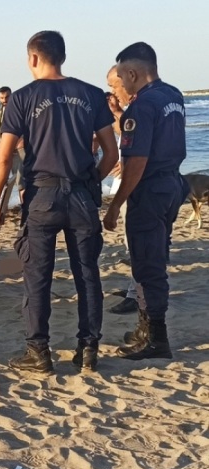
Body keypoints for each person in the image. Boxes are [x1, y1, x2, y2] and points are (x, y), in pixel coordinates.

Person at [0, 30, 118, 373]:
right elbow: (111, 152)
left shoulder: (23, 97)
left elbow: (3, 158)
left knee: (38, 276)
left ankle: (38, 351)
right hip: (80, 194)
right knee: (87, 274)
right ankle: (89, 350)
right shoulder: (91, 94)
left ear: (33, 58)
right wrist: (91, 181)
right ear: (62, 56)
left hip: (41, 195)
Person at [102, 42, 189, 361]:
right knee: (154, 256)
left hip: (150, 191)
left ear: (133, 73)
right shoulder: (173, 95)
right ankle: (145, 329)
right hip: (172, 184)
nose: (121, 85)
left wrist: (114, 205)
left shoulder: (141, 107)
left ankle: (157, 338)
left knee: (146, 264)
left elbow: (135, 164)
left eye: (121, 78)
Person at [105, 65, 140, 315]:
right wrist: (117, 112)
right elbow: (122, 133)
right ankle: (134, 287)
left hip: (134, 184)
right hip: (127, 179)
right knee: (131, 241)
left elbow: (137, 147)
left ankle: (136, 293)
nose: (113, 92)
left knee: (137, 241)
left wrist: (126, 163)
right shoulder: (130, 108)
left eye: (114, 86)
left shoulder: (141, 106)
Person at [0, 86, 25, 219]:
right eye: (1, 98)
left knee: (21, 179)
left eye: (6, 97)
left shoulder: (19, 109)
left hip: (19, 148)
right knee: (5, 180)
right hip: (3, 149)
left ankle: (25, 206)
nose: (4, 100)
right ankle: (1, 207)